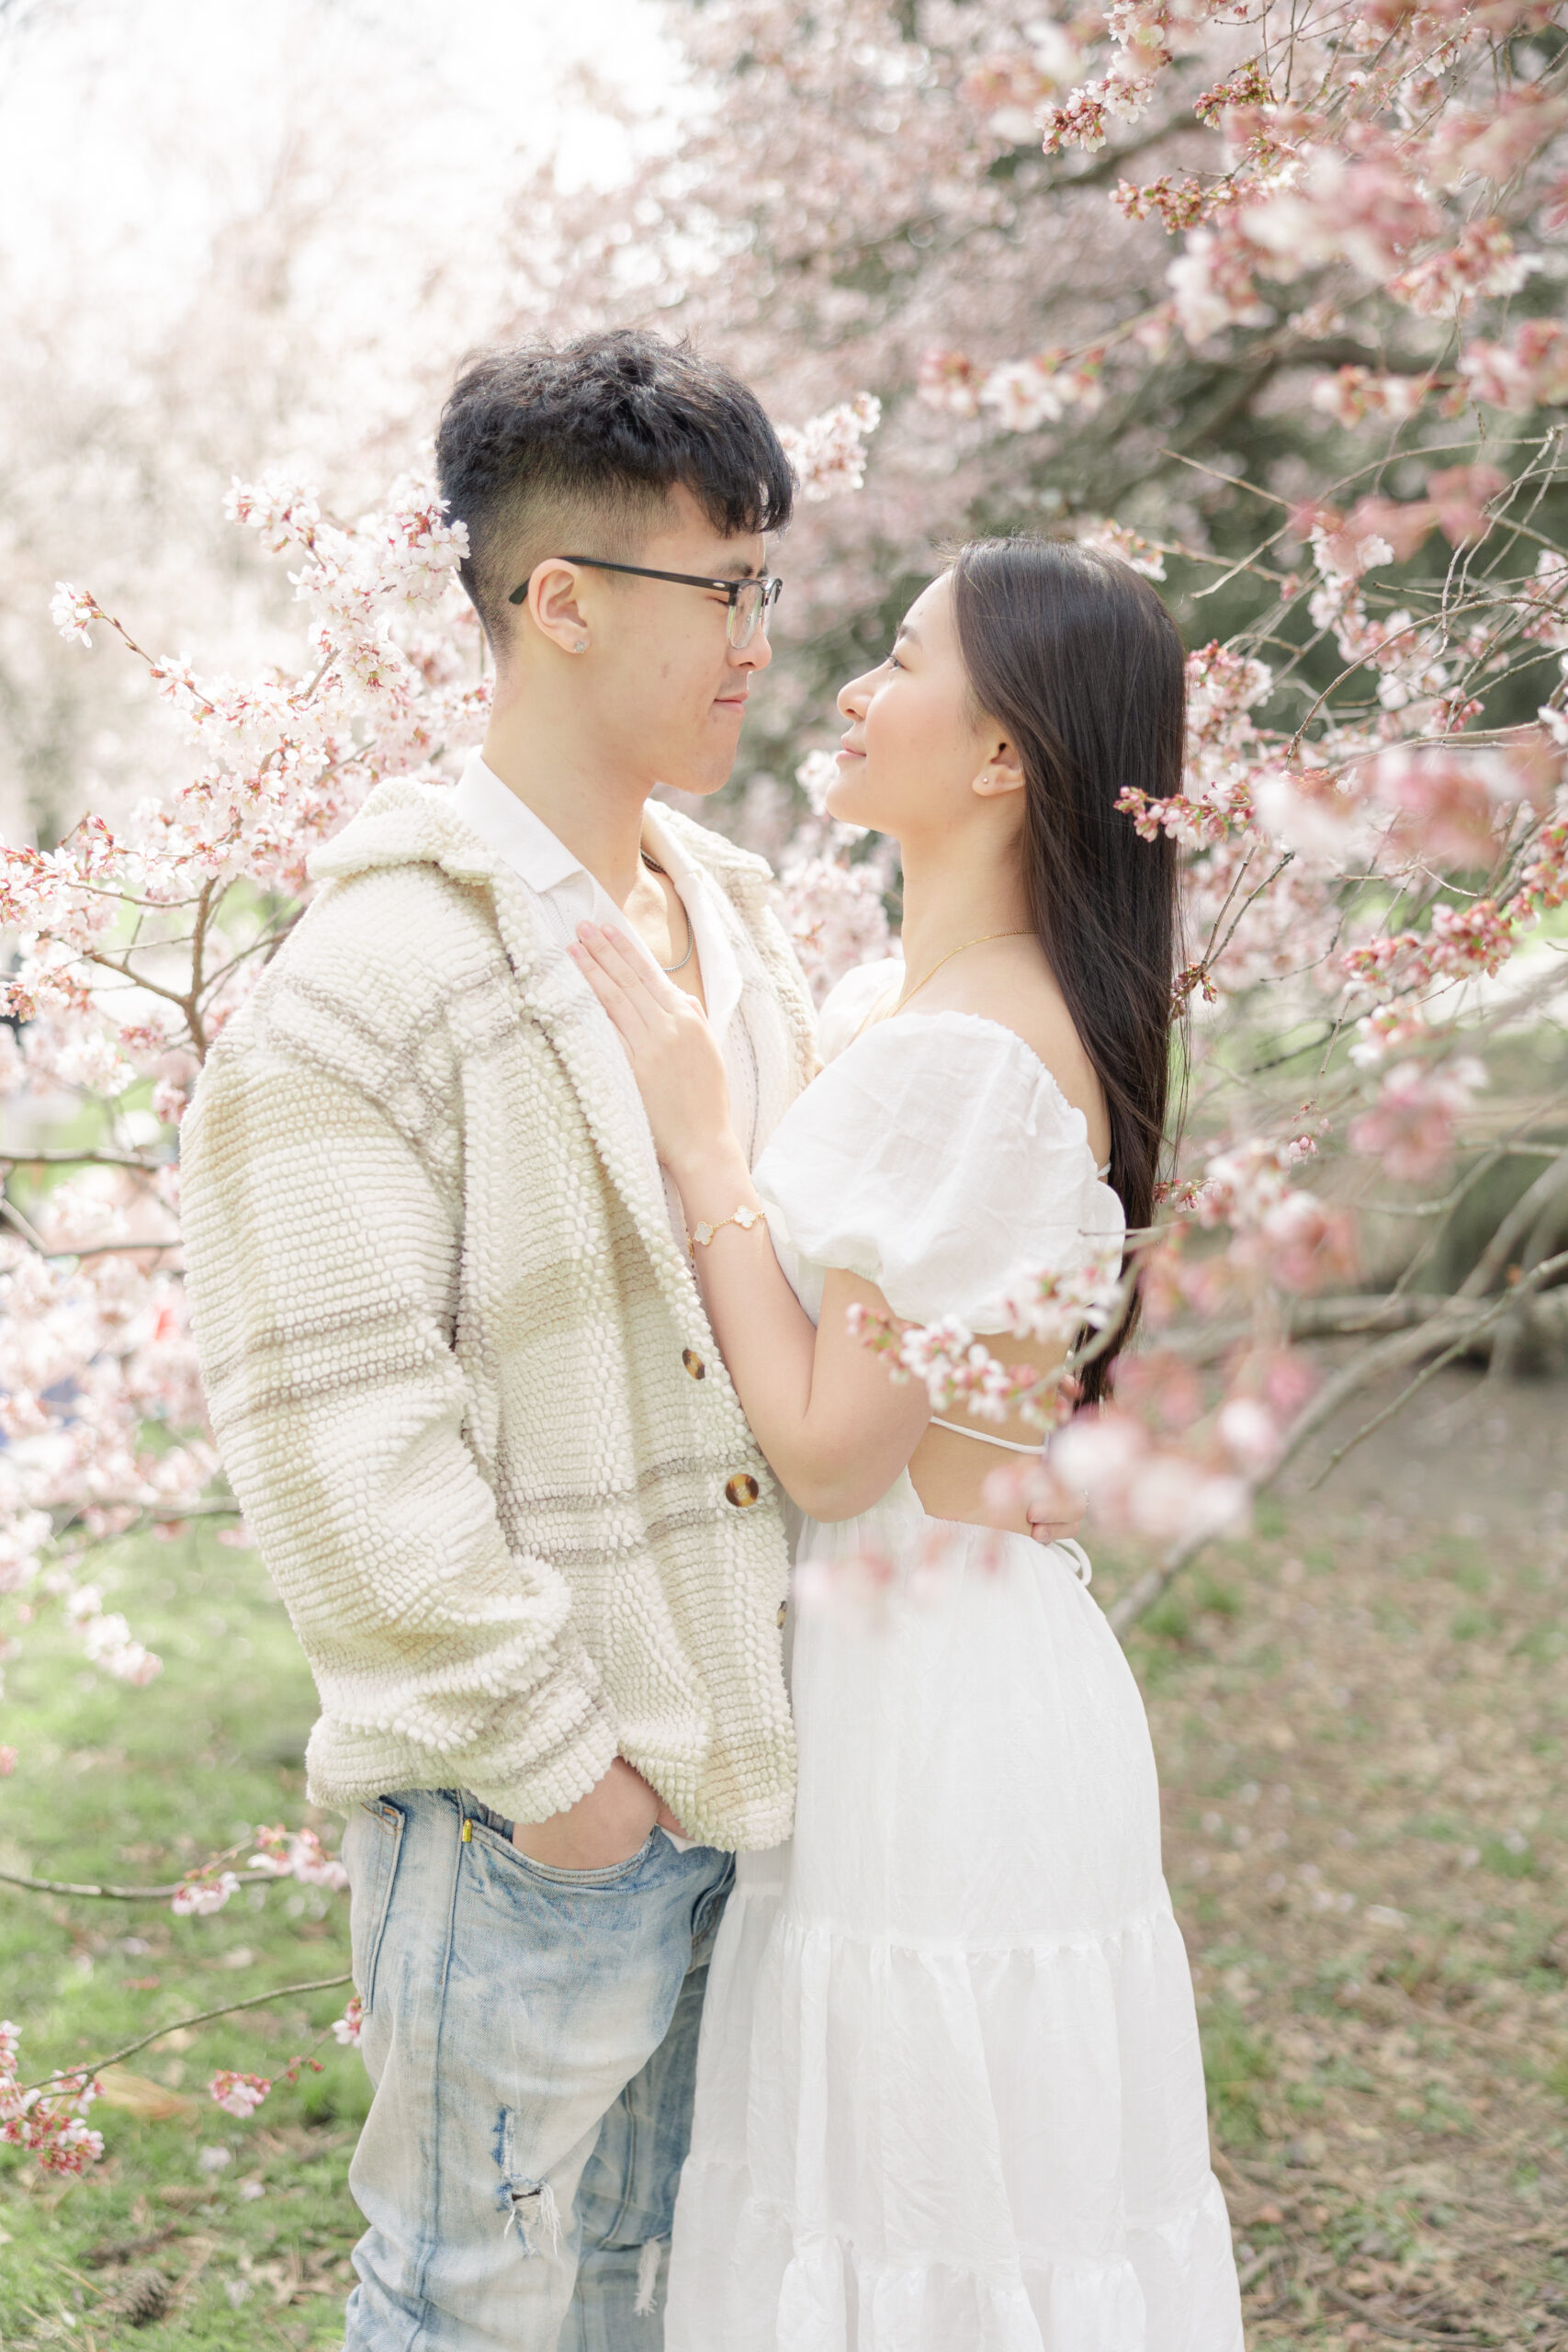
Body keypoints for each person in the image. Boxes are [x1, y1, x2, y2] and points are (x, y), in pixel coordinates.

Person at [180, 330, 821, 2350]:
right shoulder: (374, 973)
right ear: (555, 600)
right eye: (720, 587)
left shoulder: (734, 915)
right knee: (469, 2301)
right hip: (535, 1812)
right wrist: (560, 1767)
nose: (754, 637)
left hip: (755, 1776)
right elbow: (325, 1420)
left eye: (762, 585)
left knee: (657, 2293)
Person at [570, 537, 1247, 2348]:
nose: (848, 685)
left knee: (926, 2244)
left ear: (1002, 751)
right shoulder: (942, 1012)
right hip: (951, 1661)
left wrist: (705, 1148)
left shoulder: (959, 1050)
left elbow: (818, 1444)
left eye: (897, 657)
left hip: (928, 1703)